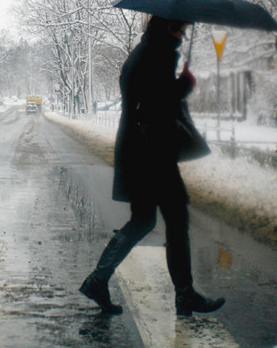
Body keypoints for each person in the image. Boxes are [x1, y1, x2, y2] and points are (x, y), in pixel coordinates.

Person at [80, 16, 225, 317]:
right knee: (175, 219)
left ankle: (98, 280)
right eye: (181, 28)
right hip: (152, 153)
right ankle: (184, 295)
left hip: (141, 151)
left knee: (146, 220)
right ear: (169, 27)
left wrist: (176, 84)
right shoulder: (155, 55)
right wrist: (184, 85)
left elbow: (149, 99)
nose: (184, 34)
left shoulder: (146, 52)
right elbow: (159, 104)